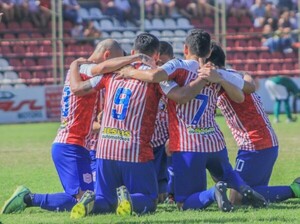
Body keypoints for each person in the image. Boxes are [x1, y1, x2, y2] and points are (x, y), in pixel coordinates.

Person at [117, 29, 267, 212]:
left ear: (185, 48)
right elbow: (240, 97)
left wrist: (130, 72)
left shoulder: (179, 65)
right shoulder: (216, 71)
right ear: (209, 52)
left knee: (184, 202)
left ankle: (214, 193)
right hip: (214, 142)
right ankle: (241, 187)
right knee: (225, 173)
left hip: (188, 144)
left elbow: (156, 77)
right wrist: (219, 79)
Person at [68, 32, 213, 218]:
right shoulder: (156, 79)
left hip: (104, 148)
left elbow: (78, 89)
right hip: (134, 150)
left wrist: (73, 65)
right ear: (156, 56)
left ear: (133, 51)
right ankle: (129, 198)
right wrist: (202, 79)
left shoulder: (111, 73)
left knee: (106, 199)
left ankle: (92, 201)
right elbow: (181, 96)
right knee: (150, 200)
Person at [0, 39, 148, 214]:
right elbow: (101, 69)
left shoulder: (77, 70)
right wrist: (134, 59)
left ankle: (30, 198)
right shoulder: (83, 68)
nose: (114, 67)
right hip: (70, 145)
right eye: (113, 62)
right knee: (86, 201)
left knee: (91, 199)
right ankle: (28, 198)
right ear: (107, 55)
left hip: (75, 145)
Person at [206, 42, 300, 205]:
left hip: (256, 144)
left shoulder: (222, 80)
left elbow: (241, 94)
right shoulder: (230, 75)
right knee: (252, 195)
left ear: (209, 64)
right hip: (261, 143)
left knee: (239, 198)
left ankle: (295, 189)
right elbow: (247, 79)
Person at [151, 41, 173, 203]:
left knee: (164, 192)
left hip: (168, 141)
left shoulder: (176, 84)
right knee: (154, 195)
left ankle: (172, 192)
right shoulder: (146, 80)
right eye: (158, 63)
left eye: (165, 64)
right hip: (147, 142)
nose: (161, 68)